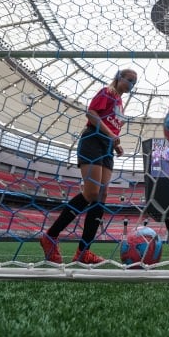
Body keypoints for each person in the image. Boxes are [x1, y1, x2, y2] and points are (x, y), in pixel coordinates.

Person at [39, 69, 137, 264]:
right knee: (91, 193)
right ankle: (50, 236)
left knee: (101, 197)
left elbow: (111, 128)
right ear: (118, 78)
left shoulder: (119, 103)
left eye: (134, 83)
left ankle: (83, 252)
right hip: (92, 140)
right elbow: (91, 114)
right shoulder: (106, 92)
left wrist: (116, 144)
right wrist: (111, 136)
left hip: (107, 148)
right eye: (129, 80)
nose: (131, 85)